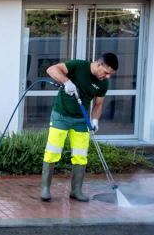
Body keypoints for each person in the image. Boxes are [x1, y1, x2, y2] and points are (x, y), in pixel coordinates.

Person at [41, 53, 118, 202]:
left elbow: (98, 104)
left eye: (111, 74)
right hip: (60, 116)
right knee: (52, 152)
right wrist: (67, 82)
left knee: (81, 156)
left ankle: (76, 190)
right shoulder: (78, 66)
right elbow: (51, 70)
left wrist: (95, 120)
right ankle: (45, 189)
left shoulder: (103, 83)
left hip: (81, 121)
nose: (108, 77)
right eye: (107, 72)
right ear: (98, 64)